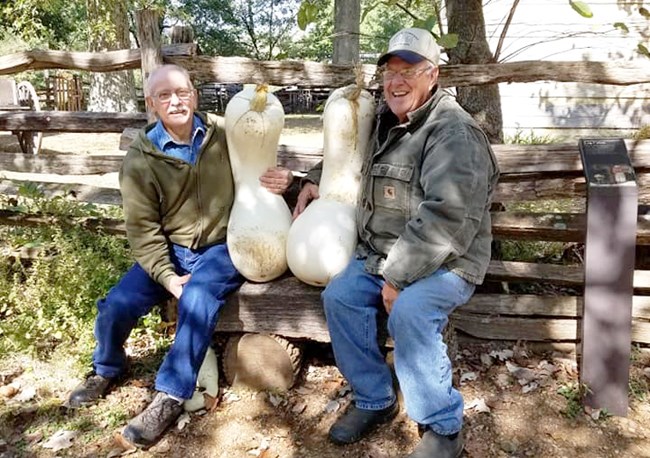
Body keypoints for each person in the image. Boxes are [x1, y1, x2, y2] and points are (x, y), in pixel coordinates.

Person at [294, 28, 499, 457]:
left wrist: (397, 278)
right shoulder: (390, 119)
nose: (396, 81)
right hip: (383, 254)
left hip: (447, 261)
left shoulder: (453, 133)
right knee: (341, 296)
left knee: (408, 311)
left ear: (433, 75)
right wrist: (314, 180)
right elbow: (347, 154)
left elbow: (446, 221)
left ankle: (443, 427)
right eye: (390, 71)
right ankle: (375, 398)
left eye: (409, 71)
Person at [66, 64, 293, 448]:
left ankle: (169, 396)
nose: (176, 101)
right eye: (165, 95)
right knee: (117, 304)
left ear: (194, 95)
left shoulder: (223, 134)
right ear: (152, 104)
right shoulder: (142, 158)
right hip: (168, 249)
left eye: (182, 92)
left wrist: (287, 181)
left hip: (223, 245)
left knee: (198, 299)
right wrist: (167, 276)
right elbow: (143, 231)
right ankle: (106, 368)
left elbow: (260, 163)